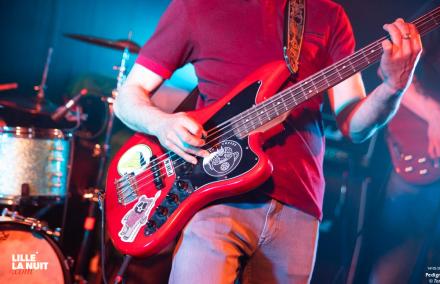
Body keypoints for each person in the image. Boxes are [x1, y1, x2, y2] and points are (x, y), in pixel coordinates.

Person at [113, 0, 422, 283]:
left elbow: (354, 126)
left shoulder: (328, 14)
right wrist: (162, 122)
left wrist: (394, 87)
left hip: (298, 206)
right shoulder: (196, 6)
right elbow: (129, 97)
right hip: (212, 197)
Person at [368, 1, 440, 283]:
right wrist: (436, 114)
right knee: (395, 260)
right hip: (425, 160)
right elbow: (390, 71)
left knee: (439, 270)